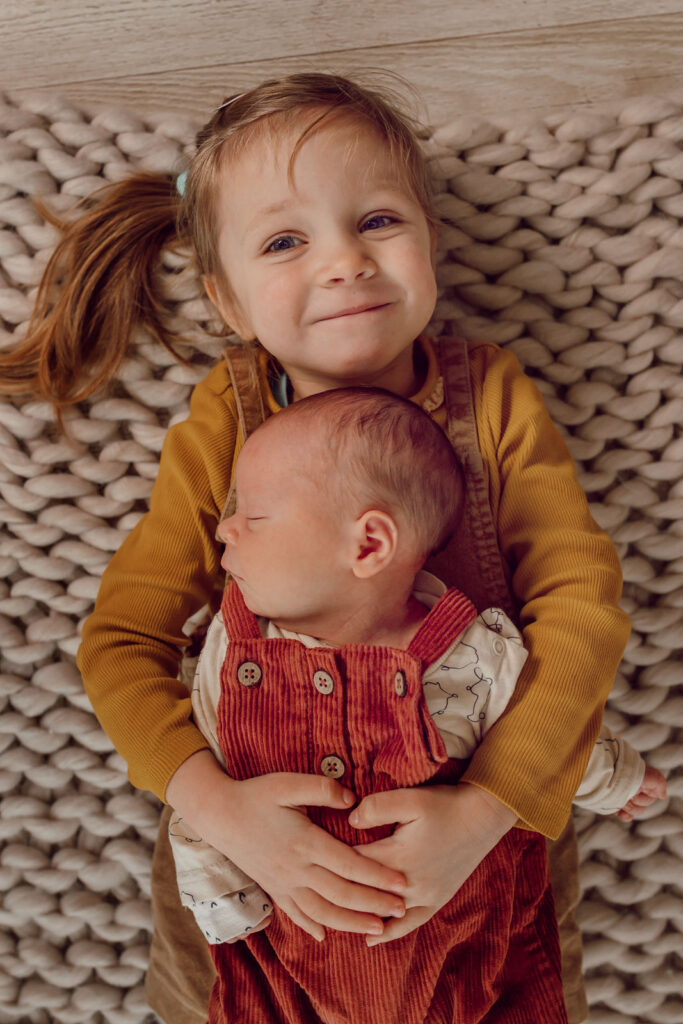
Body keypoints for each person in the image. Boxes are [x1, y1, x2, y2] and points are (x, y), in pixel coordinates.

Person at [0, 73, 634, 1023]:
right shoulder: (230, 418)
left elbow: (580, 609)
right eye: (286, 241)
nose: (343, 262)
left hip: (481, 855)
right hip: (253, 866)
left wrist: (488, 808)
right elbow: (121, 639)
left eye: (377, 221)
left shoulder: (490, 398)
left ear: (431, 243)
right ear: (227, 298)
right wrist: (216, 808)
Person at [168, 389, 666, 1005]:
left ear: (369, 545)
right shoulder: (235, 650)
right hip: (285, 970)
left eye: (256, 516)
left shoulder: (471, 653)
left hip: (466, 960)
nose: (225, 526)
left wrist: (615, 776)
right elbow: (207, 770)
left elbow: (544, 731)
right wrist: (218, 895)